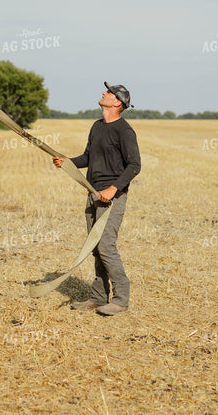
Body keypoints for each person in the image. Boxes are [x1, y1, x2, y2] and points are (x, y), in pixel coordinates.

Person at [53, 82, 141, 316]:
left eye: (109, 92)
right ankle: (99, 297)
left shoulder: (124, 130)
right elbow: (88, 157)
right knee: (95, 248)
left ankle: (121, 299)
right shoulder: (97, 126)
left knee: (106, 246)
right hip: (93, 193)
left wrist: (114, 188)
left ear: (117, 103)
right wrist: (68, 162)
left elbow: (134, 165)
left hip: (112, 197)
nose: (104, 93)